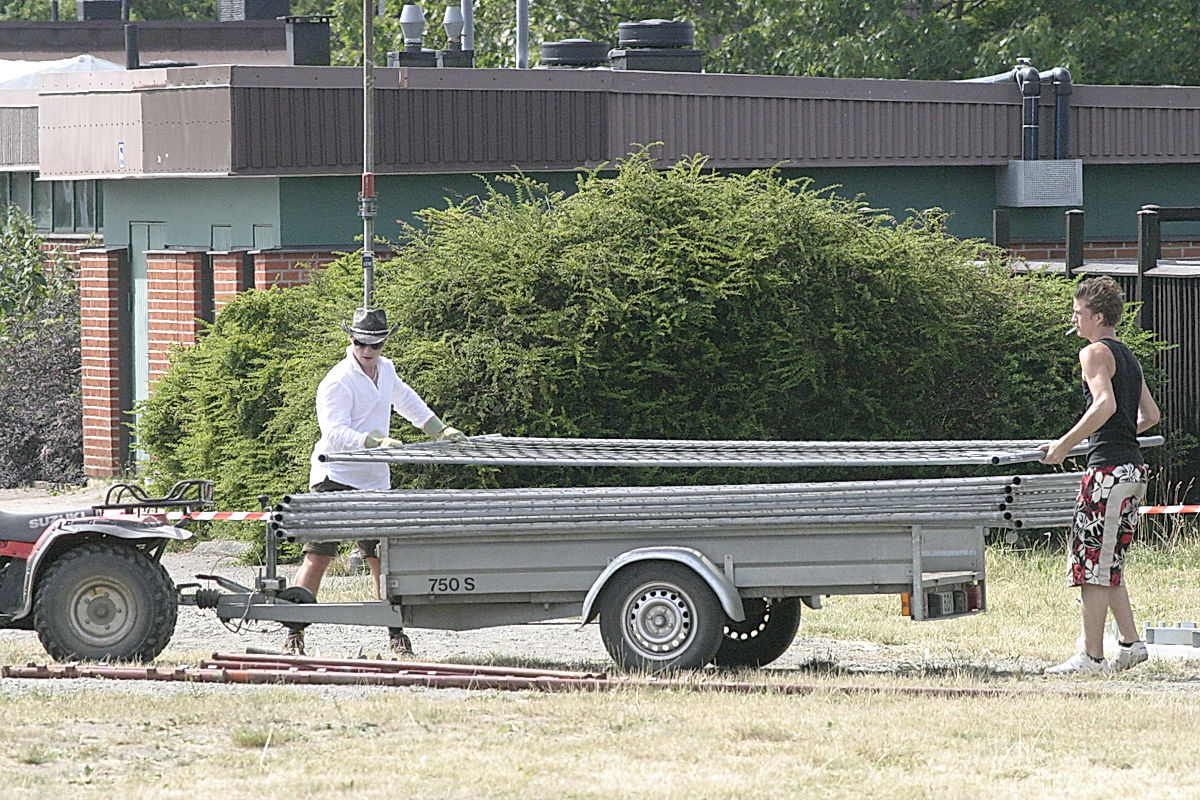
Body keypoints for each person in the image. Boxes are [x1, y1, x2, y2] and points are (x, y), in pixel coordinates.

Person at [284, 307, 467, 656]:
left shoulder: (387, 370)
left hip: (374, 481)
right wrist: (374, 442)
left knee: (382, 560)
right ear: (350, 340)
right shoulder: (337, 381)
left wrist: (437, 428)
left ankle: (396, 636)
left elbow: (405, 400)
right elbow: (334, 434)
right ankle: (295, 634)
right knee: (318, 556)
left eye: (374, 344)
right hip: (334, 478)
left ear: (384, 343)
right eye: (360, 343)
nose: (367, 351)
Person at [1039, 276, 1160, 674]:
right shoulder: (1129, 356)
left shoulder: (1092, 352)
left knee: (1090, 564)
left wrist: (1063, 445)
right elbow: (1150, 416)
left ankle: (1091, 656)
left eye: (1078, 313)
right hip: (1133, 468)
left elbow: (1104, 404)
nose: (1074, 320)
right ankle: (1130, 643)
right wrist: (1121, 435)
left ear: (1099, 316)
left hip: (1108, 472)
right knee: (1107, 562)